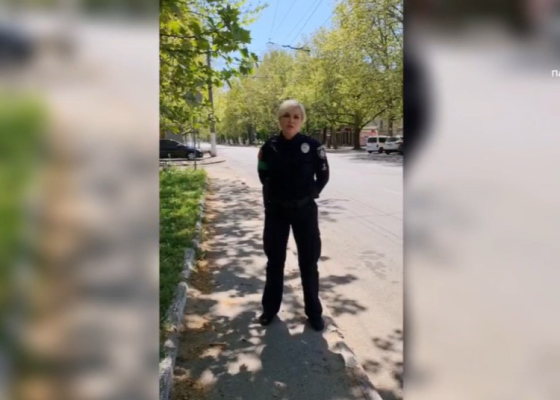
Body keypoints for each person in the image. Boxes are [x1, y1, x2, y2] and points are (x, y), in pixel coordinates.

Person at [256, 99, 330, 331]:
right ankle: (270, 310)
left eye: (296, 116)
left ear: (302, 121)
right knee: (274, 261)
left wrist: (310, 194)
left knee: (309, 262)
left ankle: (314, 313)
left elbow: (323, 176)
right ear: (279, 119)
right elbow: (263, 174)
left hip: (305, 211)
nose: (291, 120)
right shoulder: (269, 147)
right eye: (286, 115)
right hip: (276, 211)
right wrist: (274, 195)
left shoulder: (313, 146)